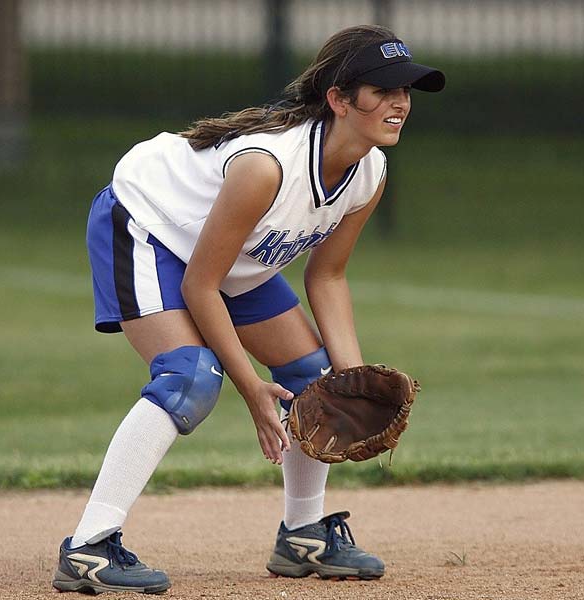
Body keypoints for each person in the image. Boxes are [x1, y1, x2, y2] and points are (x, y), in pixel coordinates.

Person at [51, 24, 445, 595]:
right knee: (190, 378)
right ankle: (88, 547)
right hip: (150, 226)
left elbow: (327, 275)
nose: (400, 102)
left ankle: (303, 535)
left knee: (315, 378)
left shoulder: (369, 173)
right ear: (338, 99)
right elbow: (201, 286)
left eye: (406, 90)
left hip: (229, 256)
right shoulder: (267, 167)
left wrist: (351, 376)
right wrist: (252, 390)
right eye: (383, 89)